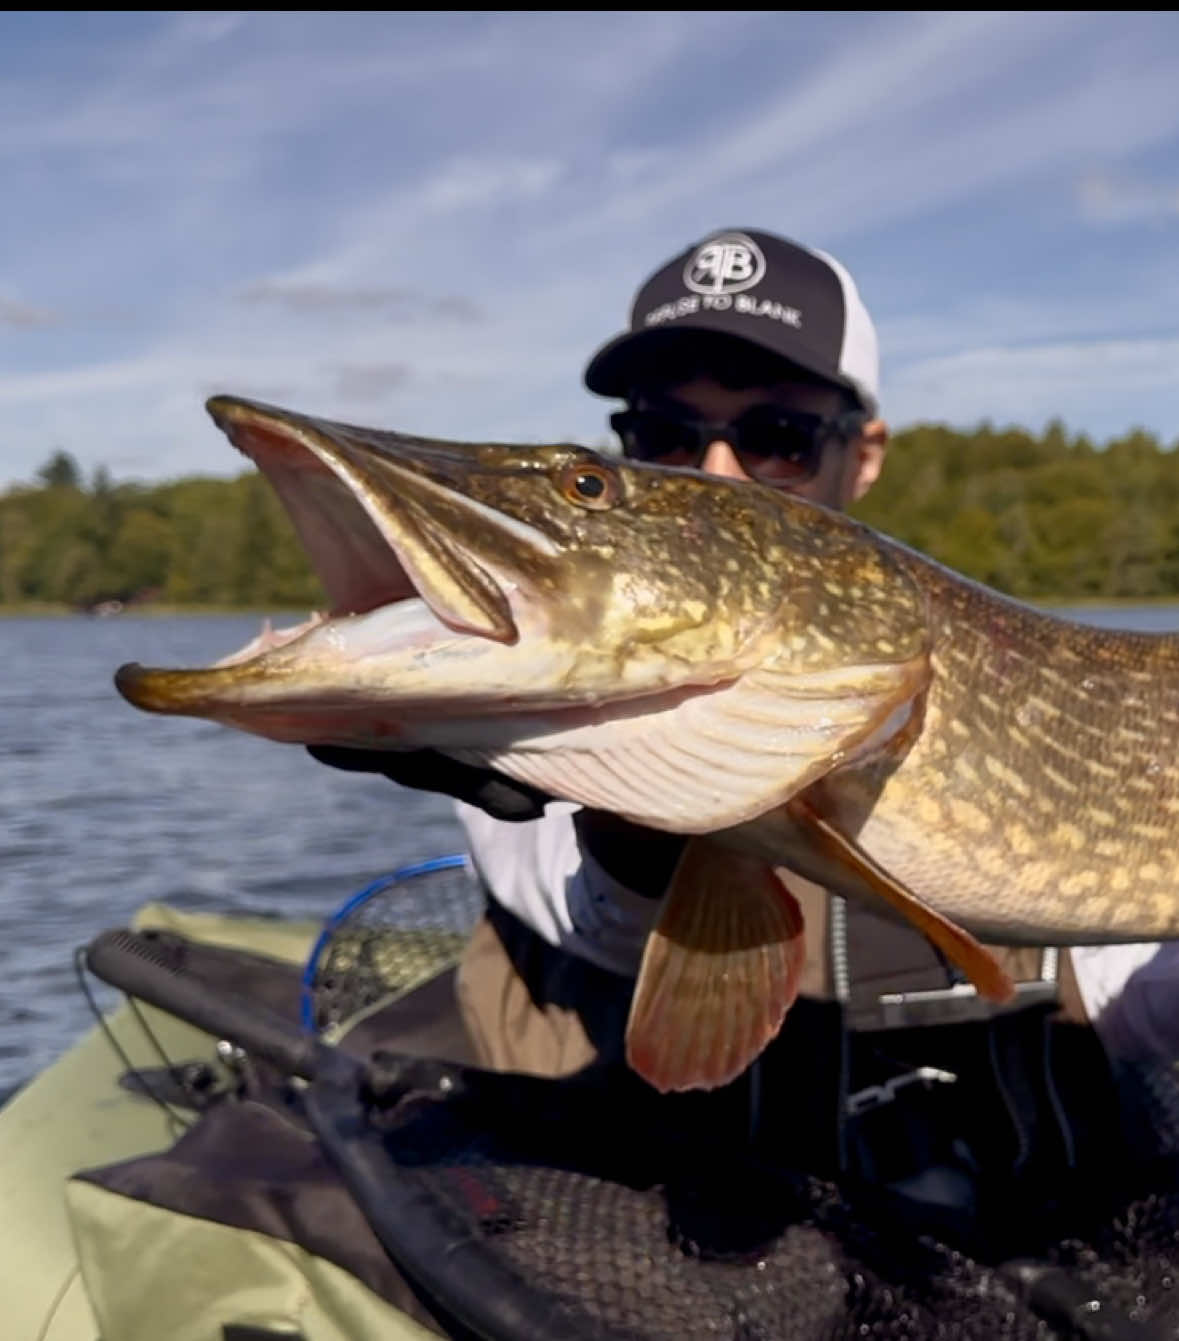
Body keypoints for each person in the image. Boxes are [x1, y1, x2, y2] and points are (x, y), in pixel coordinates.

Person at [312, 228, 1156, 1260]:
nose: (718, 471)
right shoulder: (534, 700)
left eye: (777, 437)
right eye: (663, 436)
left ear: (862, 454)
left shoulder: (956, 664)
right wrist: (634, 835)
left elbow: (1138, 1003)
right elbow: (588, 927)